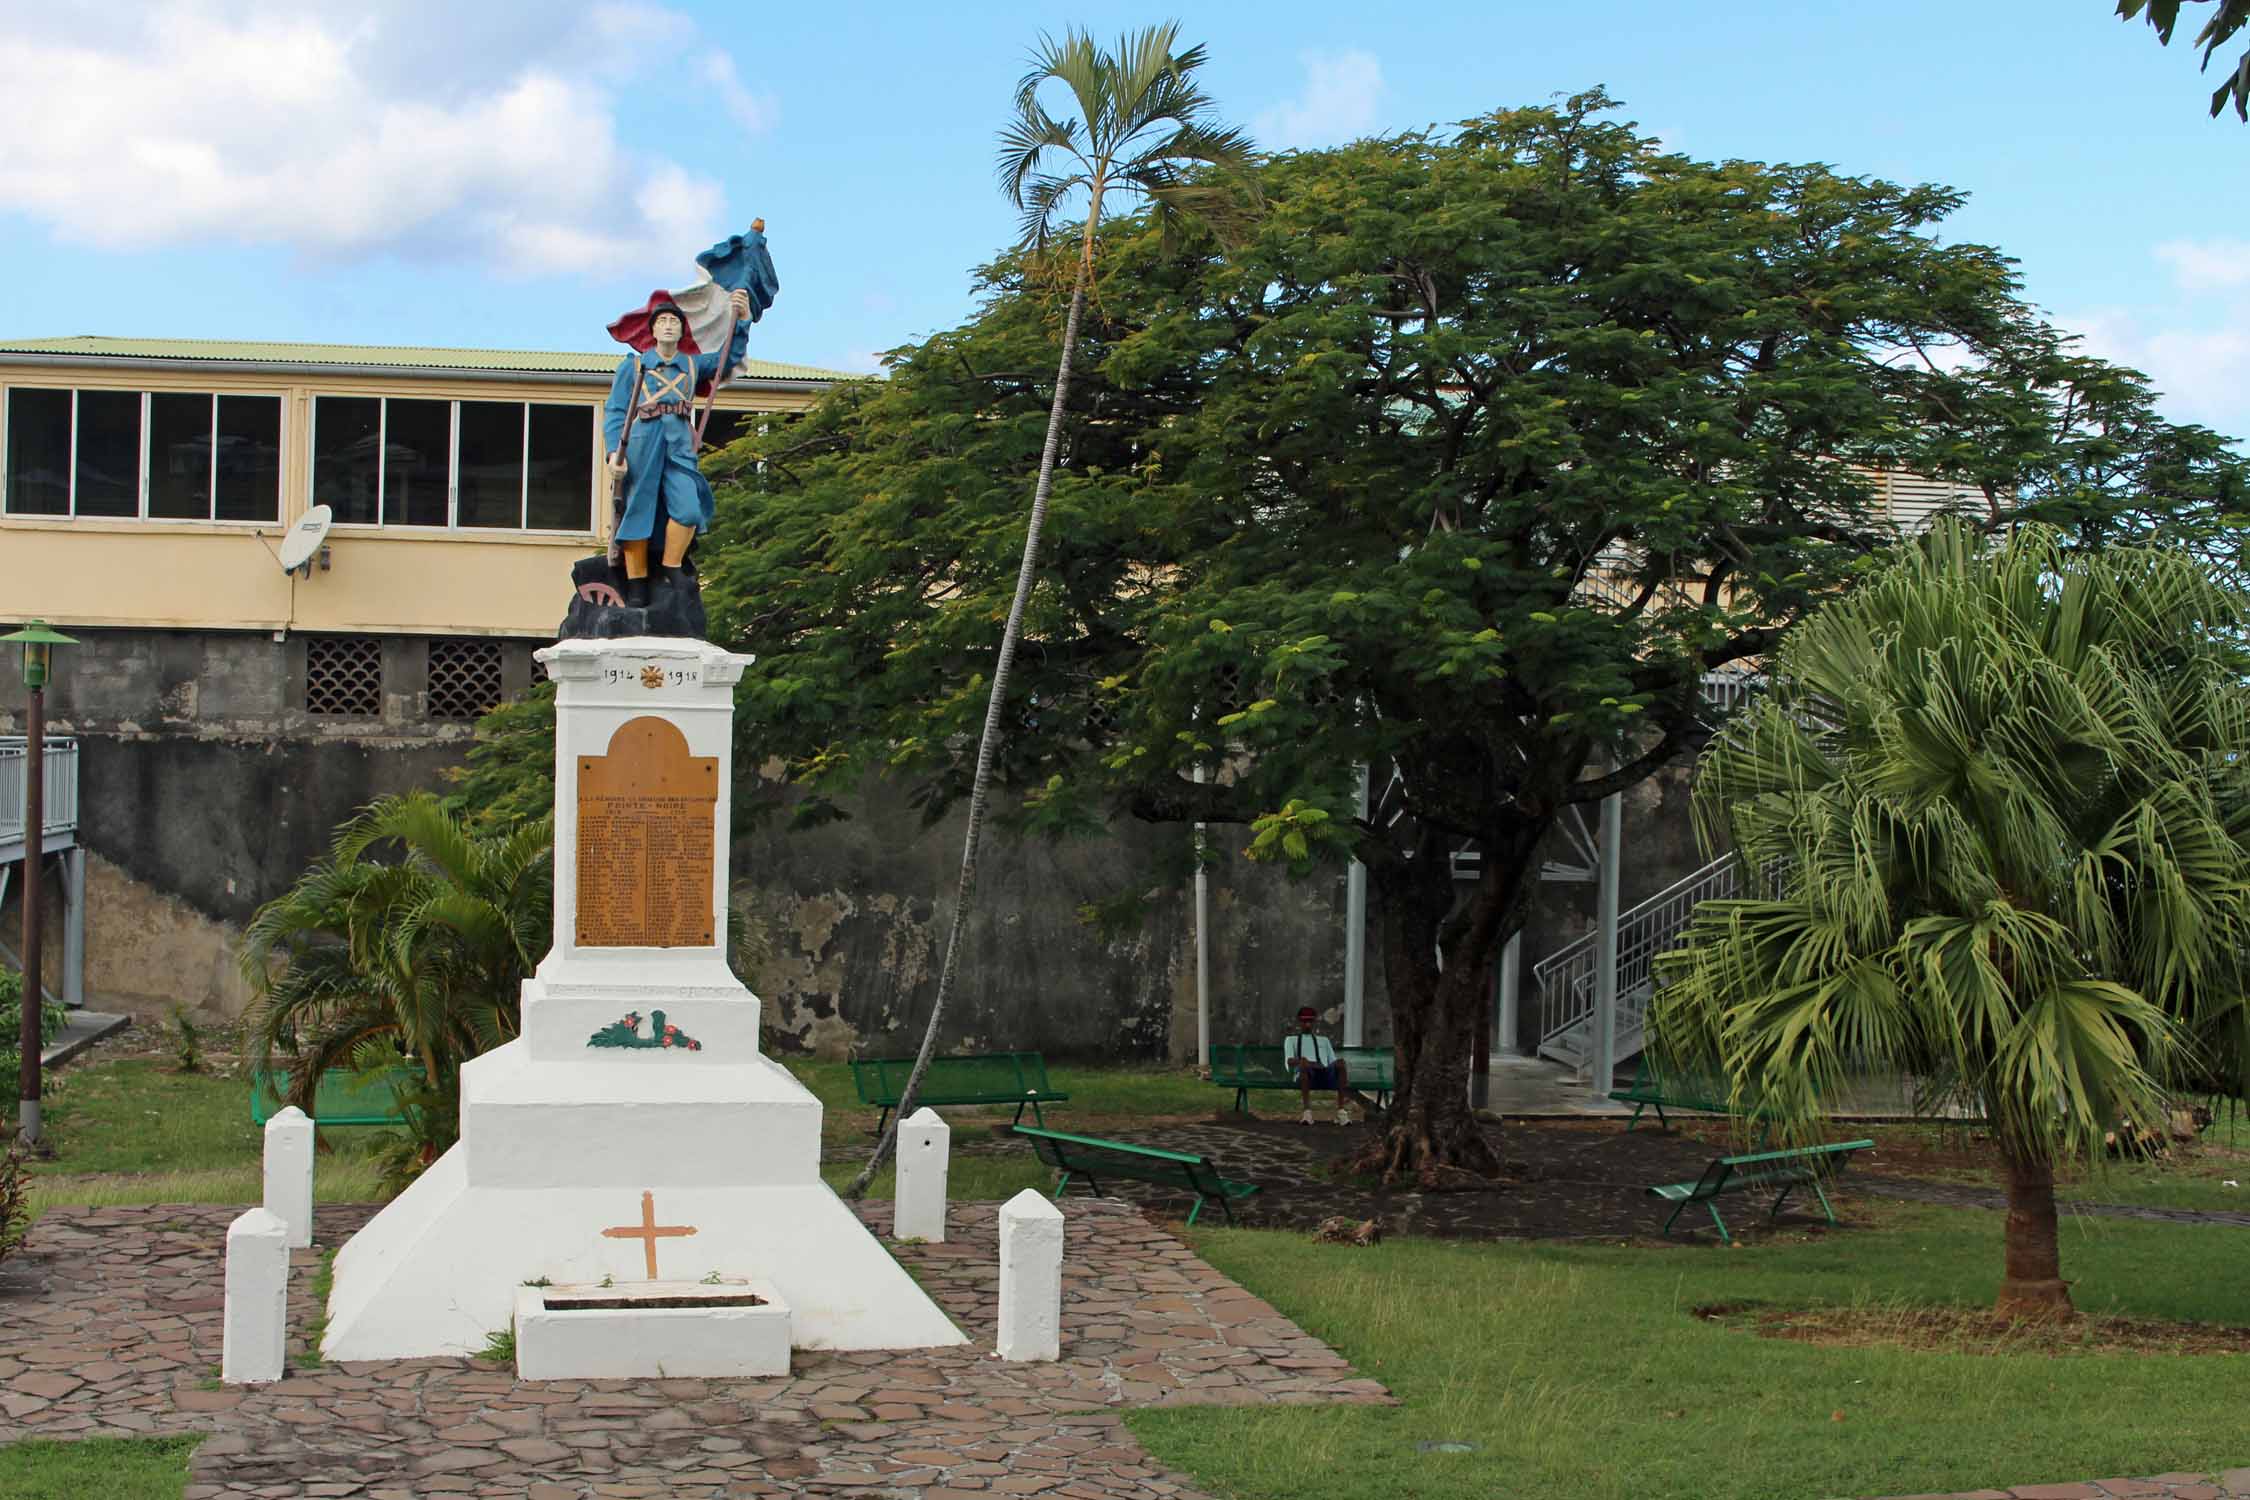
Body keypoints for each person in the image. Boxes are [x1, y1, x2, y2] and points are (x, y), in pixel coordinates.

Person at [601, 287, 753, 608]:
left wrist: (741, 319)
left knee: (688, 507)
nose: (668, 325)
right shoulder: (634, 366)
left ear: (682, 330)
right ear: (652, 330)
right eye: (663, 321)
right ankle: (637, 580)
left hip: (680, 444)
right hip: (643, 441)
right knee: (637, 510)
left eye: (674, 321)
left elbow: (730, 356)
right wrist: (614, 452)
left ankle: (672, 565)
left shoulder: (694, 365)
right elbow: (616, 410)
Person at [1284, 1005, 1352, 1125]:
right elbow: (1289, 1061)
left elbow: (1332, 1061)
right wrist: (1304, 1062)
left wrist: (1330, 1065)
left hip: (1324, 1073)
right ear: (1299, 1021)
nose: (1307, 1024)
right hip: (1305, 1074)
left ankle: (1341, 1112)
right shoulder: (1291, 1040)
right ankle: (1307, 1112)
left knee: (1341, 1063)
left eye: (1310, 1021)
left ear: (1314, 1022)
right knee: (1304, 1064)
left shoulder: (1324, 1040)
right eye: (1305, 1021)